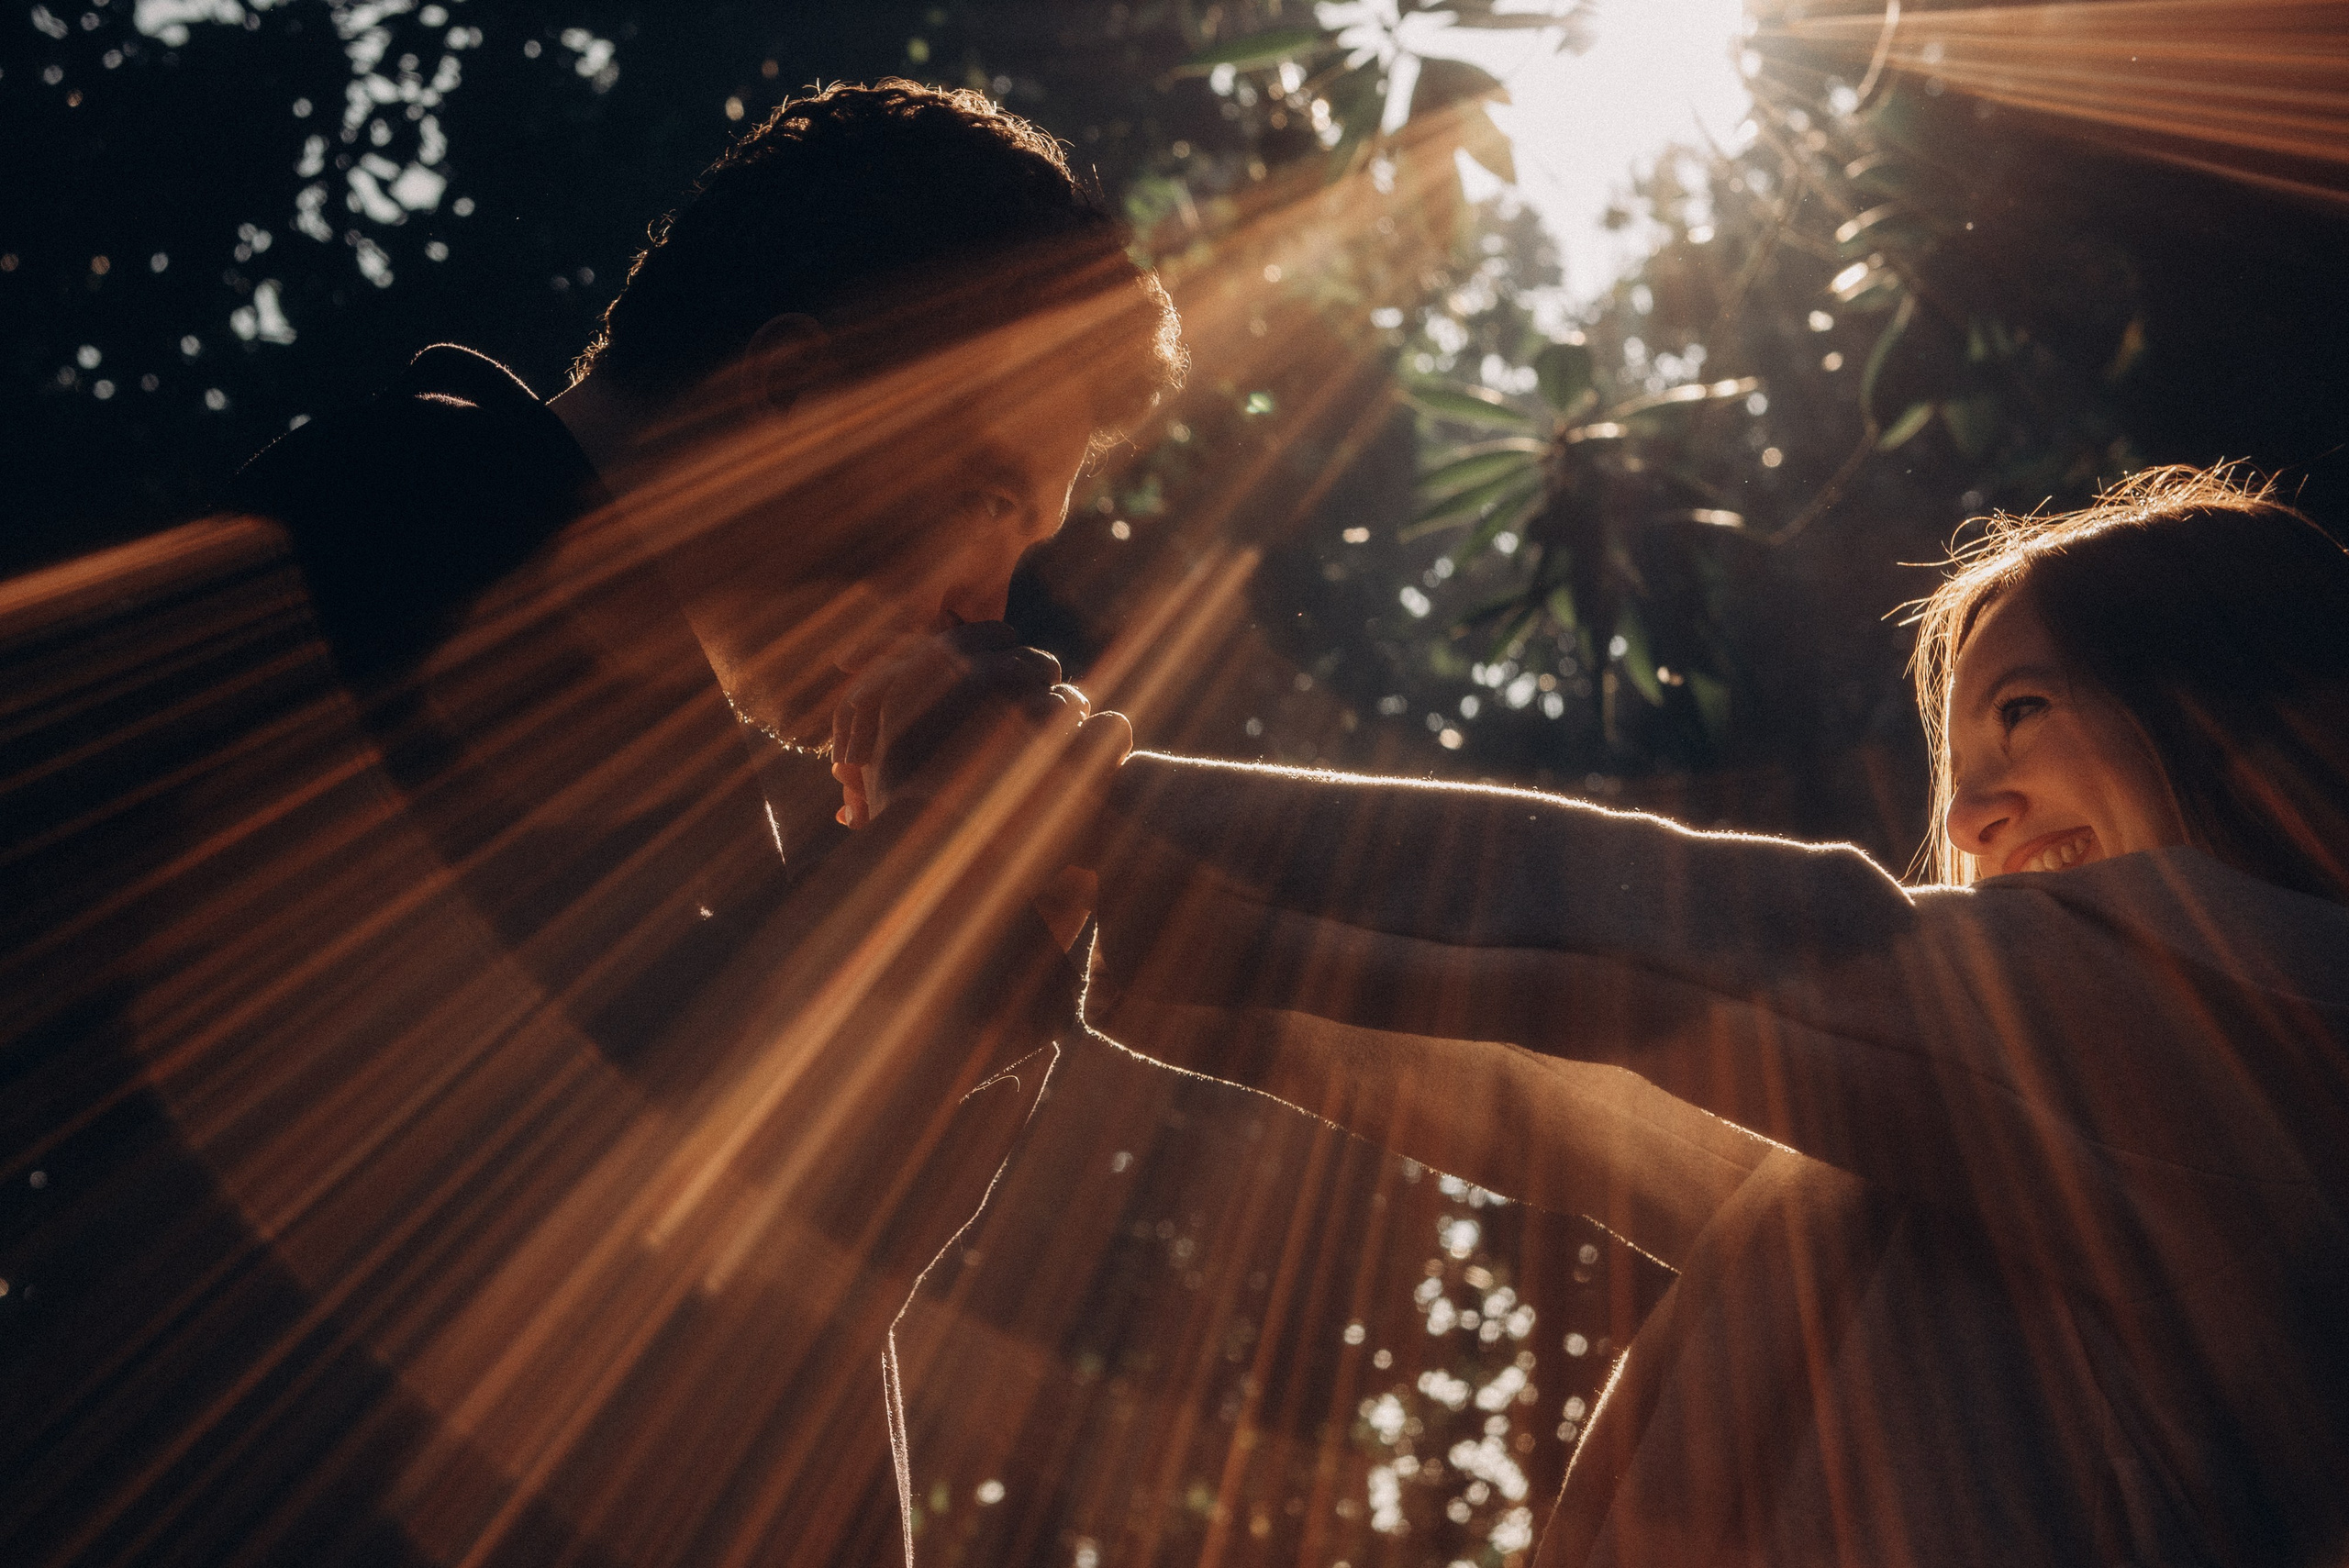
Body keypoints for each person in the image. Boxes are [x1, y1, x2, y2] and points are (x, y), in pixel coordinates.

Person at [0, 80, 1171, 1567]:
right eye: (986, 494)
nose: (990, 601)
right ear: (799, 396)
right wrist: (947, 916)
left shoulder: (577, 698)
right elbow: (606, 1323)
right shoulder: (414, 564)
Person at [1067, 465, 2349, 1565]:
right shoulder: (1962, 1148)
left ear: (2231, 708)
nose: (1963, 821)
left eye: (2024, 712)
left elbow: (1660, 946)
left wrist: (1081, 811)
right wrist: (1119, 899)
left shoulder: (2255, 1008)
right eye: (1957, 769)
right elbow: (1556, 1055)